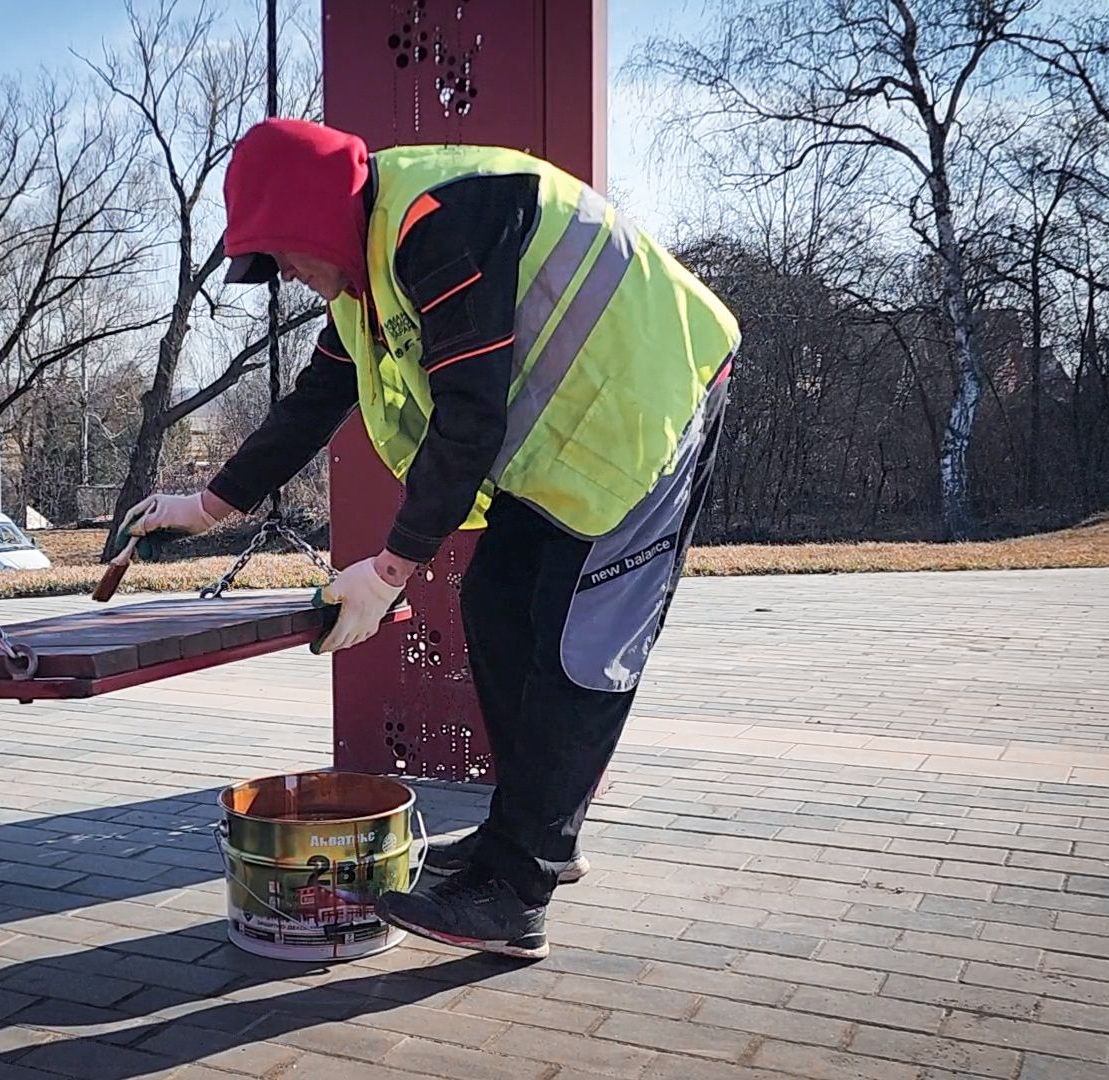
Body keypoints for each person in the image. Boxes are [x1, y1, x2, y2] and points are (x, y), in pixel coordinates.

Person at [124, 118, 739, 960]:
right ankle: (524, 835)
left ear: (312, 217)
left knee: (579, 646)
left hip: (651, 412)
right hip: (574, 438)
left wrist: (388, 572)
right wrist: (206, 506)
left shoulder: (440, 219)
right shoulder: (368, 272)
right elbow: (316, 399)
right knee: (495, 602)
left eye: (284, 256)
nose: (289, 277)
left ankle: (518, 890)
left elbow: (469, 416)